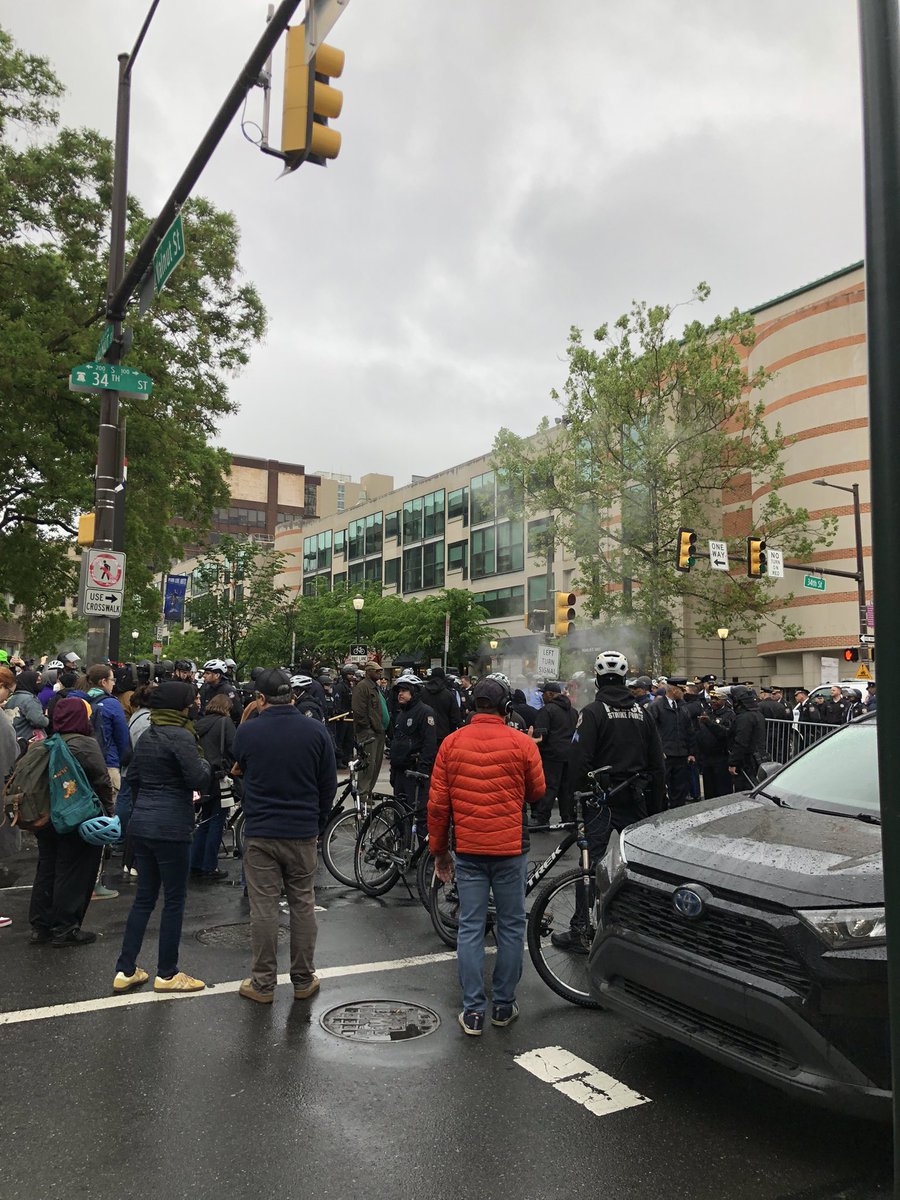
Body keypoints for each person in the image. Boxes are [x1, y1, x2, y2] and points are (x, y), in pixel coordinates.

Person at [428, 675, 545, 1035]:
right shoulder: (522, 743)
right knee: (511, 926)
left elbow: (437, 806)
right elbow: (538, 792)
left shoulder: (451, 743)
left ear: (471, 705)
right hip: (510, 848)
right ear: (506, 706)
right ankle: (503, 1006)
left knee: (470, 927)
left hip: (469, 847)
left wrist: (439, 852)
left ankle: (474, 1010)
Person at [232, 668, 337, 1004]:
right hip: (302, 830)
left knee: (263, 908)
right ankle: (303, 978)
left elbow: (240, 773)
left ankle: (262, 983)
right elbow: (327, 786)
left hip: (262, 830)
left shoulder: (248, 733)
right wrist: (317, 823)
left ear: (261, 699)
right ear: (292, 696)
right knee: (302, 903)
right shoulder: (316, 731)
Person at [556, 650, 665, 952]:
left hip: (600, 800)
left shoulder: (592, 712)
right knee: (639, 865)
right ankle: (644, 925)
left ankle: (581, 928)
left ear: (599, 678)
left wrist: (573, 801)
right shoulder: (643, 713)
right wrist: (657, 808)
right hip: (636, 798)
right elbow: (658, 765)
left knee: (590, 866)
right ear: (626, 678)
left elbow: (579, 760)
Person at [113, 680, 211, 994]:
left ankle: (125, 969)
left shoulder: (149, 733)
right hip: (171, 826)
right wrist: (206, 764)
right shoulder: (181, 736)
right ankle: (167, 973)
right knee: (174, 901)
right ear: (181, 706)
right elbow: (197, 777)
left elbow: (135, 777)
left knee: (144, 899)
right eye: (191, 700)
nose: (194, 703)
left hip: (142, 823)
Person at [28, 696, 115, 947]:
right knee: (73, 872)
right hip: (77, 818)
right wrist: (109, 815)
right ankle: (65, 928)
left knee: (47, 869)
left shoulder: (43, 744)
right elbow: (102, 781)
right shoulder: (84, 744)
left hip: (46, 818)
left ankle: (40, 926)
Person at [191, 694, 236, 882]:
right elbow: (234, 749)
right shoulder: (225, 723)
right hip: (220, 777)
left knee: (204, 821)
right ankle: (210, 865)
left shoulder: (198, 724)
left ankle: (195, 863)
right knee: (217, 821)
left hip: (202, 777)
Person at [388, 674, 436, 839]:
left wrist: (423, 770)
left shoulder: (425, 712)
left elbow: (429, 745)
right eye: (399, 691)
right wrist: (393, 771)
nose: (400, 694)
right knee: (399, 814)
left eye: (404, 690)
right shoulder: (400, 714)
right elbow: (396, 742)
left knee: (421, 816)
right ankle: (401, 849)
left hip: (416, 773)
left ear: (414, 692)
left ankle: (423, 856)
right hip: (400, 771)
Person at [530, 681, 578, 825]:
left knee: (550, 786)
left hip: (552, 755)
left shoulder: (547, 710)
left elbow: (540, 735)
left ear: (550, 694)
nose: (542, 697)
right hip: (570, 754)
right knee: (566, 788)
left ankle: (542, 819)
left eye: (543, 694)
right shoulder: (573, 711)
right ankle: (568, 818)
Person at [648, 682, 696, 808]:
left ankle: (677, 813)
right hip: (665, 754)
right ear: (674, 690)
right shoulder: (657, 707)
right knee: (660, 787)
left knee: (680, 788)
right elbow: (650, 731)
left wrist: (691, 752)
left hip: (681, 754)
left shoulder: (682, 707)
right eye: (682, 690)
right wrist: (657, 750)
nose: (684, 693)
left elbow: (689, 730)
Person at [352, 661, 388, 801]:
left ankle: (369, 791)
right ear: (368, 672)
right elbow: (359, 710)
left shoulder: (375, 687)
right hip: (368, 732)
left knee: (376, 763)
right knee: (368, 763)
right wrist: (368, 727)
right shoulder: (362, 687)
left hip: (378, 730)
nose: (380, 673)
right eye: (376, 671)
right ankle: (363, 793)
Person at [695, 690, 734, 800]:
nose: (713, 701)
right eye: (712, 699)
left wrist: (709, 723)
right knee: (709, 789)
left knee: (722, 790)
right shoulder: (707, 712)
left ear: (724, 701)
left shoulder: (729, 714)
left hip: (721, 757)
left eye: (717, 699)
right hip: (707, 757)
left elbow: (725, 733)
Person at [726, 685, 766, 788]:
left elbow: (741, 741)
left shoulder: (744, 718)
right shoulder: (757, 714)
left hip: (747, 760)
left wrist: (733, 762)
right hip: (757, 757)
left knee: (745, 788)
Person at [5, 668, 48, 754]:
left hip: (13, 740)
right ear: (30, 682)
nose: (40, 684)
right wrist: (46, 718)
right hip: (28, 743)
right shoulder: (30, 699)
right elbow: (38, 720)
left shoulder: (11, 698)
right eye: (37, 681)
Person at [422, 667, 461, 746]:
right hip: (443, 733)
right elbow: (455, 717)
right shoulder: (448, 694)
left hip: (424, 732)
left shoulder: (422, 692)